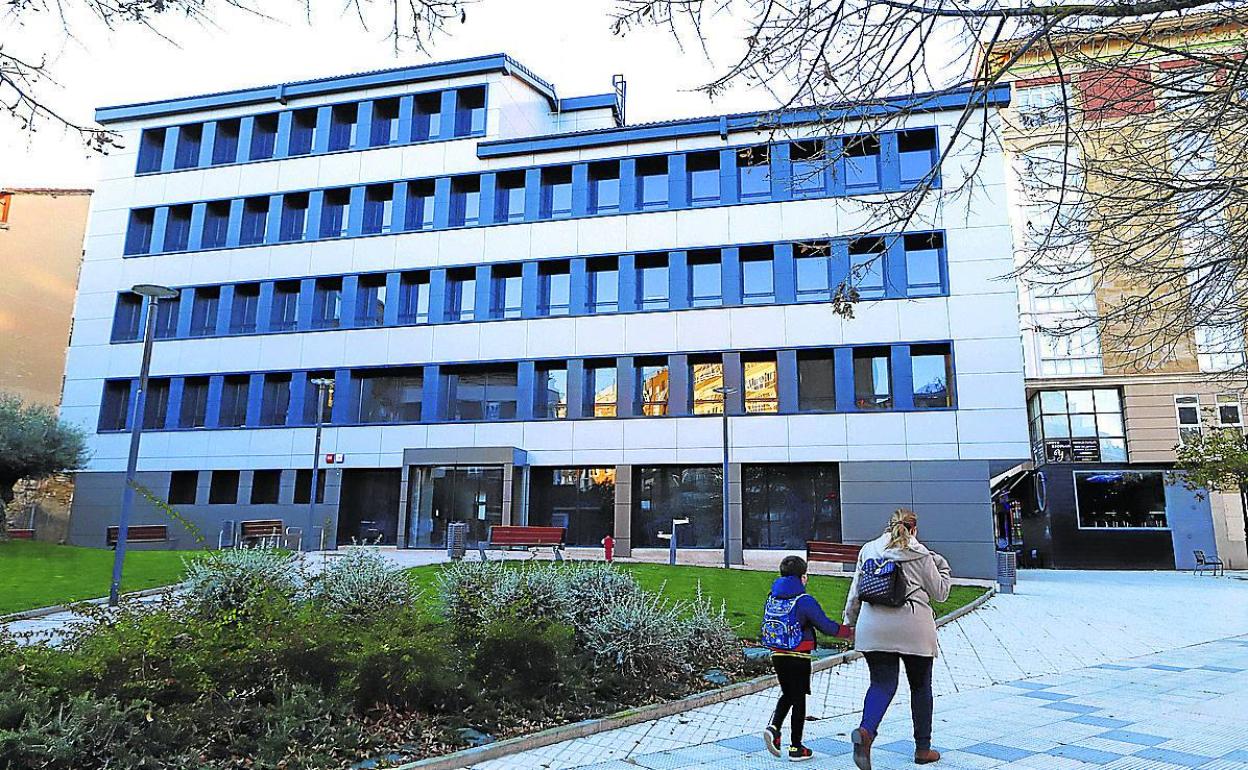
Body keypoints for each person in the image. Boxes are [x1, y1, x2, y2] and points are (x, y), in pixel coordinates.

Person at [844, 509, 951, 770]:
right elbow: (941, 593)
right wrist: (942, 566)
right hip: (914, 628)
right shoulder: (921, 554)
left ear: (888, 526)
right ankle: (923, 750)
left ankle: (866, 732)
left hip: (873, 626)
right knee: (920, 687)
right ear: (914, 529)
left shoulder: (869, 549)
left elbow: (855, 592)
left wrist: (850, 623)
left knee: (881, 684)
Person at [760, 555, 853, 762]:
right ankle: (796, 747)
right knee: (799, 698)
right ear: (802, 577)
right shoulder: (804, 601)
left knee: (789, 693)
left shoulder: (773, 597)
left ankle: (774, 728)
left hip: (777, 653)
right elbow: (826, 626)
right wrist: (848, 632)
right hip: (799, 654)